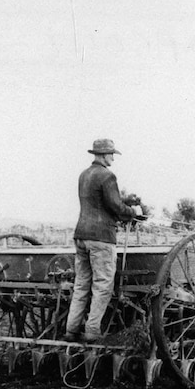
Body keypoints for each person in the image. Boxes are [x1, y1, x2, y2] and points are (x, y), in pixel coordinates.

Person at [63, 138, 142, 343]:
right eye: (112, 154)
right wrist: (133, 212)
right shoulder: (107, 176)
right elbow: (115, 207)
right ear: (104, 155)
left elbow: (99, 203)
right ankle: (92, 330)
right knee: (102, 285)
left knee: (81, 284)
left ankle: (71, 329)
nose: (113, 158)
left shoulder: (84, 175)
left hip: (81, 235)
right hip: (101, 238)